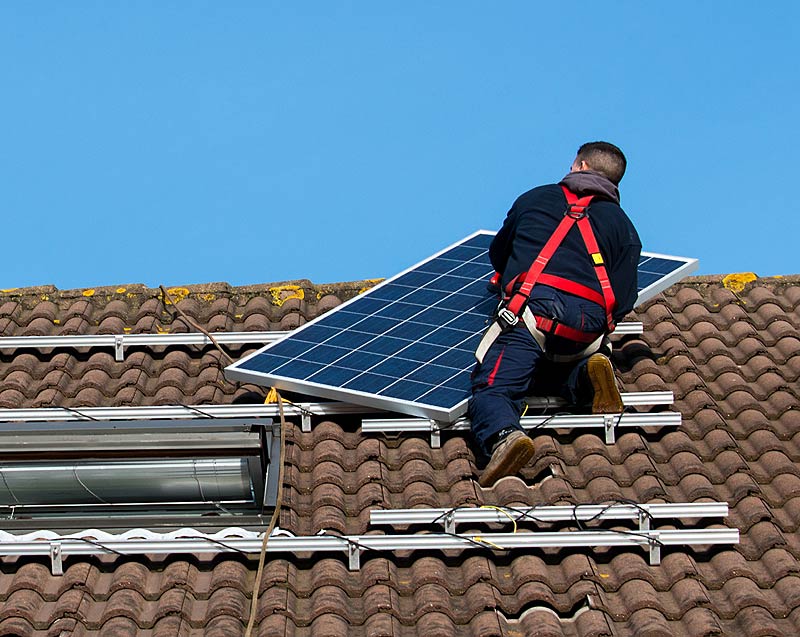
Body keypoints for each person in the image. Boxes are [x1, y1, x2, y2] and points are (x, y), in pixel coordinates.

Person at [469, 141, 641, 487]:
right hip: (587, 328)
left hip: (534, 312)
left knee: (493, 388)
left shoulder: (534, 199)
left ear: (578, 166)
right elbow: (624, 299)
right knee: (557, 367)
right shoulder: (623, 227)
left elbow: (499, 254)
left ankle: (505, 436)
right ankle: (588, 376)